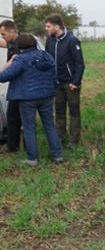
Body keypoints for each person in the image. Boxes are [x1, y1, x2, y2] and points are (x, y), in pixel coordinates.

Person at [0, 33, 63, 166]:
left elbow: (3, 77)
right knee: (49, 125)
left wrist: (10, 62)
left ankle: (32, 158)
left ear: (20, 46)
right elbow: (53, 74)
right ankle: (57, 155)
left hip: (27, 98)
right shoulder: (47, 56)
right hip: (47, 96)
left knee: (29, 127)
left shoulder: (21, 60)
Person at [44, 13, 85, 147]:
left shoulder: (72, 40)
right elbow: (47, 60)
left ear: (57, 26)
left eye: (48, 26)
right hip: (56, 83)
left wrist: (76, 81)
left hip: (70, 84)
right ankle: (60, 138)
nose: (46, 29)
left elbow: (80, 63)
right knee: (59, 112)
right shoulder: (49, 40)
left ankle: (73, 140)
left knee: (73, 111)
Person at [0, 20, 22, 153]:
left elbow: (12, 64)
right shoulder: (11, 43)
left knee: (16, 116)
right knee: (12, 115)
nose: (2, 37)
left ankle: (14, 147)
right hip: (15, 85)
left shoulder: (21, 44)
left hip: (22, 86)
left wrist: (2, 74)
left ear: (12, 31)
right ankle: (12, 146)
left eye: (3, 34)